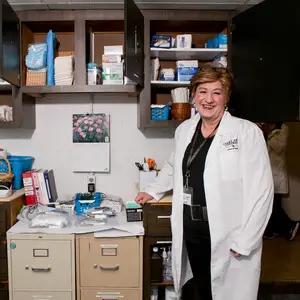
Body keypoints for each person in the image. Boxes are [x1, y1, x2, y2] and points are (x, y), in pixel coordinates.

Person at [135, 64, 274, 300]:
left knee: (228, 291)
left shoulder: (246, 132)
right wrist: (153, 190)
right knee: (201, 287)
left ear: (226, 97)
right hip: (193, 228)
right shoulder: (185, 130)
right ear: (193, 96)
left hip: (229, 232)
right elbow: (173, 165)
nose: (208, 99)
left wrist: (246, 239)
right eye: (202, 91)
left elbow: (262, 191)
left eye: (216, 92)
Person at [260, 122, 299, 240]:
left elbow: (280, 148)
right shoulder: (262, 127)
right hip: (267, 172)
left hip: (277, 174)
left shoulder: (283, 128)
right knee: (272, 204)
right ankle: (273, 230)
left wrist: (268, 134)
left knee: (273, 205)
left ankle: (291, 224)